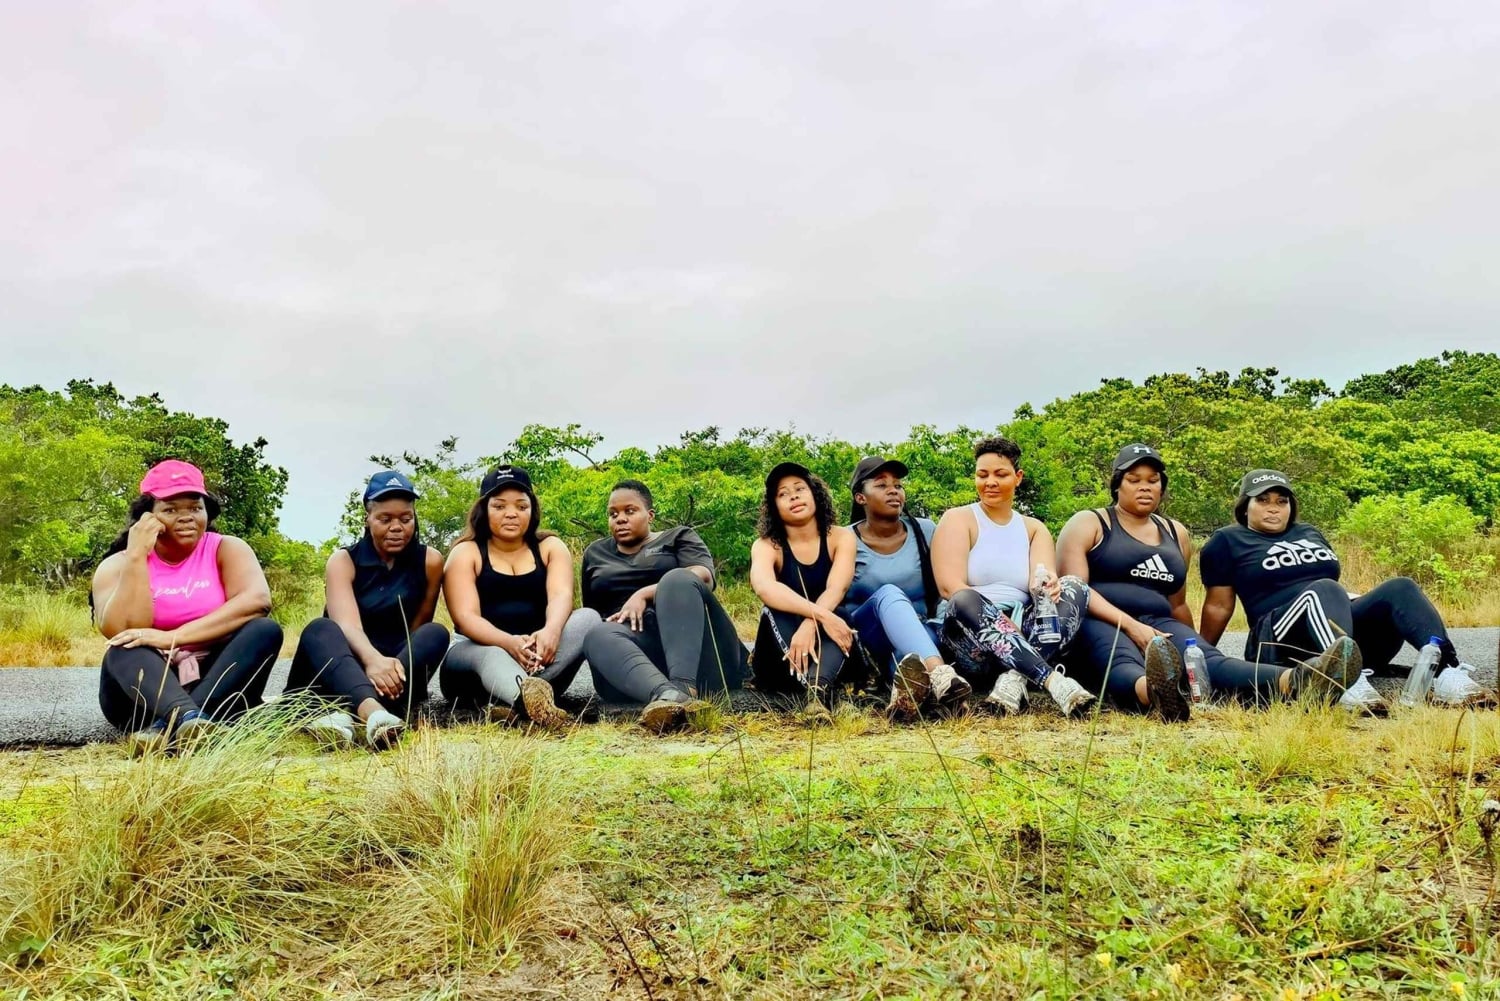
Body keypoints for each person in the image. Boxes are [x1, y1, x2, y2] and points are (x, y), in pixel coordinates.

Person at [1057, 445, 1296, 720]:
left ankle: (1296, 680)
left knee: (1210, 662)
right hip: (1100, 620)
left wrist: (1193, 647)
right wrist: (1133, 627)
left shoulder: (1175, 532)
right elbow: (1075, 590)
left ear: (1162, 487)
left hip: (1159, 622)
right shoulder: (1090, 523)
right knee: (1122, 659)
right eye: (1134, 480)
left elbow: (1178, 603)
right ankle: (1159, 694)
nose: (1144, 487)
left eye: (1153, 480)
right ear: (1117, 486)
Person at [1198, 469, 1468, 705]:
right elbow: (1219, 605)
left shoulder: (1310, 533)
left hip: (1330, 627)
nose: (1274, 508)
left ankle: (1448, 674)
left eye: (1282, 501)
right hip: (1277, 640)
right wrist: (1204, 657)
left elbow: (1333, 592)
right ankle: (1343, 682)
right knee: (1325, 589)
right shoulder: (1228, 540)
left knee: (1400, 587)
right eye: (1263, 500)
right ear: (1246, 506)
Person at [90, 460, 283, 755]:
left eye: (195, 508)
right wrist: (136, 558)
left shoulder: (226, 549)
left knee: (264, 630)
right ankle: (188, 719)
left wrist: (171, 638)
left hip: (216, 684)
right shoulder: (116, 565)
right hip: (141, 699)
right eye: (170, 510)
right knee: (125, 645)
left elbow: (257, 601)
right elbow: (119, 629)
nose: (186, 517)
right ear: (147, 518)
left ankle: (166, 729)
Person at [931, 437, 1095, 717]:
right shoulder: (959, 519)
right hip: (972, 636)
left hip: (1026, 630)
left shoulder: (1033, 528)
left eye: (1000, 474)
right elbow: (949, 586)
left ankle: (1014, 679)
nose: (990, 482)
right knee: (963, 598)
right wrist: (1001, 624)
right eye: (982, 475)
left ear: (1018, 478)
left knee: (1075, 586)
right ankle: (1054, 681)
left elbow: (1042, 578)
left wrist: (1049, 586)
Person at [284, 470, 448, 749]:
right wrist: (372, 661)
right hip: (340, 668)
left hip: (391, 679)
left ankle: (352, 716)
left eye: (406, 519)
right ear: (368, 519)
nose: (397, 527)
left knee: (436, 633)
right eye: (385, 519)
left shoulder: (430, 561)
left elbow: (416, 630)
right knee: (320, 629)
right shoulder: (344, 560)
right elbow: (346, 625)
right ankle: (370, 714)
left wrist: (390, 668)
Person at [441, 466, 602, 729]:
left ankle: (524, 703)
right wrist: (509, 643)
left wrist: (550, 631)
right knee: (491, 653)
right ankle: (525, 700)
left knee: (588, 618)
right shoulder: (466, 552)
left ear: (532, 510)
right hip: (474, 662)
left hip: (536, 661)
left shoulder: (550, 547)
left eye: (521, 506)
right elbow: (465, 617)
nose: (511, 514)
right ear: (484, 509)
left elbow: (561, 595)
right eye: (500, 506)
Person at [581, 479, 746, 734]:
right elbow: (595, 612)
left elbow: (702, 575)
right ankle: (668, 697)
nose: (620, 519)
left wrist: (645, 594)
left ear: (650, 515)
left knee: (678, 579)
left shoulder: (678, 537)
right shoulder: (596, 553)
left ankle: (683, 686)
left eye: (630, 511)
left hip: (698, 653)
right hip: (637, 661)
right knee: (595, 633)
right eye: (613, 514)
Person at [839, 456, 970, 720]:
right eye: (881, 485)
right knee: (889, 593)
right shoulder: (844, 538)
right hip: (868, 633)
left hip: (921, 631)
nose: (893, 490)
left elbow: (947, 581)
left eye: (898, 485)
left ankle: (914, 699)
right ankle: (942, 675)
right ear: (860, 498)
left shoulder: (926, 530)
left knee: (908, 659)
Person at [748, 463, 858, 721]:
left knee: (841, 614)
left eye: (800, 489)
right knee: (776, 610)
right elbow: (765, 587)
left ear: (814, 494)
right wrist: (820, 616)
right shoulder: (766, 545)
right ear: (774, 506)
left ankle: (816, 696)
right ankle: (823, 692)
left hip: (826, 648)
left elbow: (837, 587)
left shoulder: (840, 537)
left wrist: (813, 622)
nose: (793, 497)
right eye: (783, 494)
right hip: (779, 656)